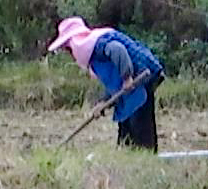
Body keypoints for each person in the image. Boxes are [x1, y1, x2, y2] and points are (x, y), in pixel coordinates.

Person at [48, 16, 165, 151]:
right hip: (134, 83)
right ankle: (127, 157)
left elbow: (117, 49)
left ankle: (144, 159)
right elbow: (114, 82)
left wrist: (127, 77)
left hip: (143, 76)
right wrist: (103, 103)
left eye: (68, 49)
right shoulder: (95, 54)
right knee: (126, 123)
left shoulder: (98, 44)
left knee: (139, 123)